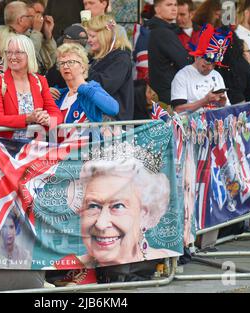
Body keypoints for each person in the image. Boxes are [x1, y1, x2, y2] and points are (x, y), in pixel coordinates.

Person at [52, 142, 176, 285]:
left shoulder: (167, 255)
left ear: (145, 214)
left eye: (117, 206)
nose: (101, 224)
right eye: (93, 206)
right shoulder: (62, 267)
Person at [0, 34, 63, 139]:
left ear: (29, 54)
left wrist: (48, 119)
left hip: (36, 148)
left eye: (18, 52)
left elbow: (57, 114)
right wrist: (27, 118)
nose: (12, 57)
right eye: (9, 52)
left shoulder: (40, 81)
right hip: (6, 148)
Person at [53, 43, 119, 140]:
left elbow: (114, 109)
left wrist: (83, 88)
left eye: (71, 62)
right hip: (62, 151)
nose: (65, 66)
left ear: (83, 67)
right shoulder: (59, 95)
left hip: (89, 151)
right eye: (62, 63)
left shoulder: (91, 88)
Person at [171, 24, 231, 113]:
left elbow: (227, 107)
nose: (210, 68)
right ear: (196, 57)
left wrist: (222, 103)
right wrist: (205, 101)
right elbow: (178, 110)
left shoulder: (217, 75)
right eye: (205, 64)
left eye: (214, 65)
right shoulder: (182, 76)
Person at [85, 15, 134, 121]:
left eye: (92, 36)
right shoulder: (94, 58)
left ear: (105, 36)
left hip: (115, 124)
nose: (88, 40)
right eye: (88, 36)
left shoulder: (121, 59)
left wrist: (83, 70)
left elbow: (105, 86)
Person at [147, 0, 191, 105]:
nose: (174, 8)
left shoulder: (158, 29)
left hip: (163, 89)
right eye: (169, 5)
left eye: (175, 5)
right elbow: (185, 62)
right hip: (169, 92)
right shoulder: (163, 32)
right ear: (157, 9)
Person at [4, 1, 57, 75]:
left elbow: (50, 62)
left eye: (42, 14)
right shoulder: (6, 38)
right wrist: (36, 31)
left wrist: (48, 35)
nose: (40, 18)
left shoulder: (33, 35)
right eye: (37, 13)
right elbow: (28, 59)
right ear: (21, 20)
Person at [216, 32, 250, 104]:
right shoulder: (244, 66)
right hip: (240, 108)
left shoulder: (215, 66)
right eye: (248, 51)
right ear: (242, 53)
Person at [46, 24, 88, 89]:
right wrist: (47, 91)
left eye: (71, 62)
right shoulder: (57, 65)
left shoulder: (93, 63)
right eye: (76, 44)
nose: (65, 66)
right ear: (65, 42)